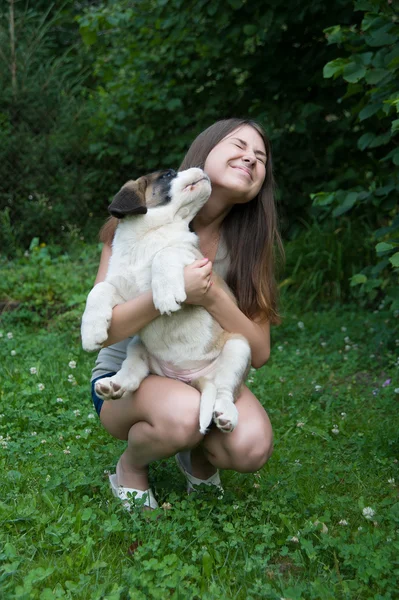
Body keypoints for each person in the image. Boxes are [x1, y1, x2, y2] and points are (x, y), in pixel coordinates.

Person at [90, 118, 283, 510]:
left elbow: (259, 353)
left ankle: (193, 458)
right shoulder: (138, 218)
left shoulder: (249, 249)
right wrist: (171, 294)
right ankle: (131, 467)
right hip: (131, 377)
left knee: (251, 445)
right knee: (181, 414)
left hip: (200, 369)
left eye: (260, 157)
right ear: (204, 150)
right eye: (239, 145)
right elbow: (104, 332)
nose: (251, 157)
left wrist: (209, 296)